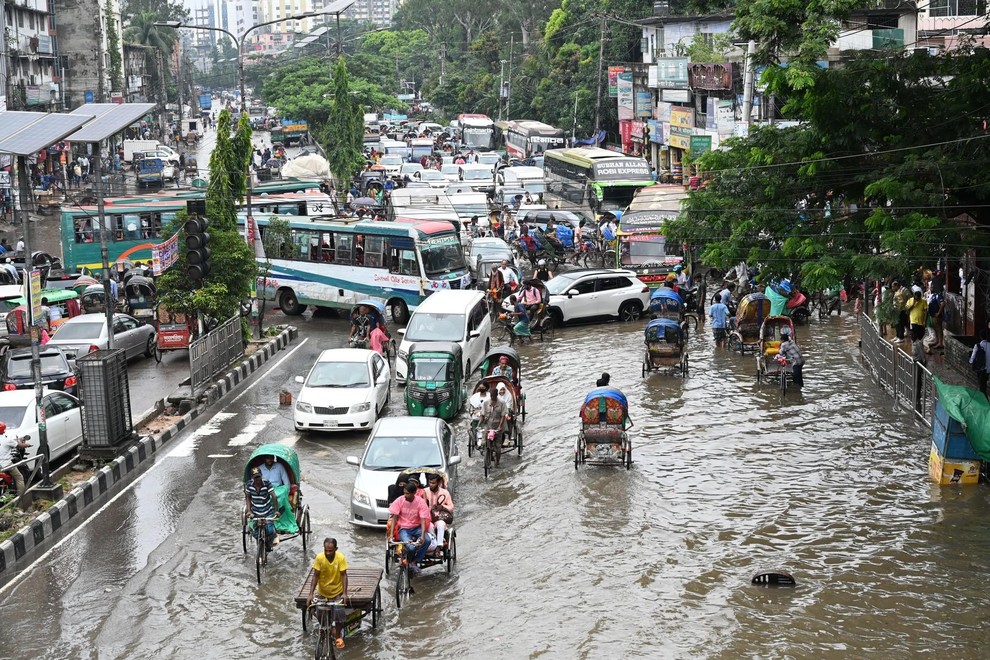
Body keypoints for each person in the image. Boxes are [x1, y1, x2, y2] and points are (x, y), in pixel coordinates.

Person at [306, 538, 350, 651]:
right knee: (319, 612)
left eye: (331, 551)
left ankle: (338, 635)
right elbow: (315, 576)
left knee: (339, 612)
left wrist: (344, 593)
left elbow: (344, 575)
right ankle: (325, 629)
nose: (328, 553)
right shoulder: (320, 558)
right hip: (322, 592)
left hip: (337, 591)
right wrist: (310, 594)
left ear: (336, 549)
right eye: (326, 550)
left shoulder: (340, 558)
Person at [387, 482, 432, 574]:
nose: (405, 495)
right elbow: (394, 517)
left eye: (407, 493)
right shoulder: (400, 500)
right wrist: (391, 535)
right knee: (410, 548)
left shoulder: (420, 502)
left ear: (414, 493)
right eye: (404, 493)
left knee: (427, 540)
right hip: (404, 529)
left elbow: (423, 519)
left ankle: (414, 562)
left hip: (416, 528)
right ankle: (410, 562)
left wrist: (423, 535)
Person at [244, 467, 279, 552]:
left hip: (267, 512)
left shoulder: (267, 483)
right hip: (255, 512)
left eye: (259, 477)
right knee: (254, 532)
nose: (257, 479)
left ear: (261, 476)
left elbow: (274, 496)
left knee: (270, 531)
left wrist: (276, 511)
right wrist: (249, 511)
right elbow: (248, 498)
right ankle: (260, 543)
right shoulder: (249, 485)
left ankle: (269, 545)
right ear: (252, 478)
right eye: (255, 477)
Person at [422, 473, 453, 553]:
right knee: (429, 526)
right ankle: (433, 543)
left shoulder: (445, 493)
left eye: (433, 483)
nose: (431, 485)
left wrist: (442, 507)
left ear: (438, 483)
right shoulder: (424, 492)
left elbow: (451, 507)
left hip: (439, 518)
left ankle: (439, 546)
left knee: (441, 524)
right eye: (430, 483)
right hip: (427, 518)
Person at [481, 387, 510, 464]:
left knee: (498, 447)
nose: (492, 397)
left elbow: (503, 416)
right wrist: (480, 424)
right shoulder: (486, 403)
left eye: (494, 396)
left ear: (497, 395)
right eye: (491, 396)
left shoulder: (502, 403)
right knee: (484, 443)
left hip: (498, 426)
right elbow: (482, 414)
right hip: (488, 425)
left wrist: (500, 426)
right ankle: (487, 453)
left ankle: (497, 462)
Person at [0, 423, 29, 498]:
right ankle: (21, 498)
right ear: (4, 430)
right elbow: (20, 445)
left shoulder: (7, 439)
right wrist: (27, 445)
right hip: (6, 464)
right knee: (19, 477)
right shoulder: (6, 439)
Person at [970, 329, 990, 399]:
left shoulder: (978, 346)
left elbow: (972, 359)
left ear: (980, 337)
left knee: (982, 387)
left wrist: (970, 362)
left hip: (982, 370)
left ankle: (985, 402)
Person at [928, 282, 945, 352]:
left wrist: (938, 313)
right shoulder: (933, 295)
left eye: (932, 287)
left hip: (937, 316)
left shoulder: (939, 296)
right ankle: (937, 340)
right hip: (932, 315)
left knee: (939, 329)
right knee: (935, 328)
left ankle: (940, 343)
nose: (930, 288)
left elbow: (942, 304)